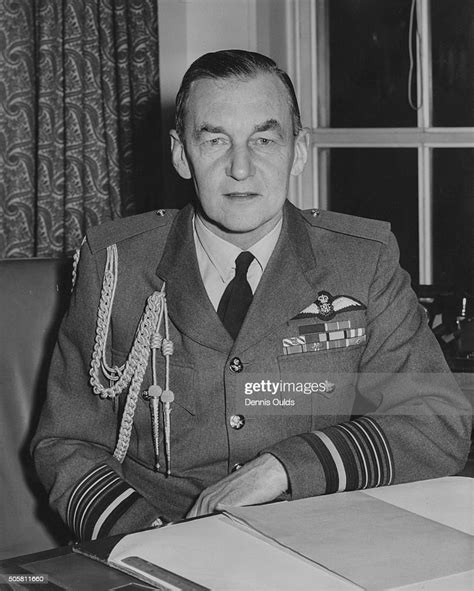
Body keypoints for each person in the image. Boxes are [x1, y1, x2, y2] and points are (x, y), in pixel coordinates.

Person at [32, 49, 470, 541]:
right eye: (215, 140)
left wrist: (284, 467)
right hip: (155, 541)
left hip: (315, 539)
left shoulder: (361, 262)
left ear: (298, 151)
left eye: (264, 139)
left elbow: (436, 422)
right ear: (181, 154)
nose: (240, 167)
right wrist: (151, 539)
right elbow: (66, 442)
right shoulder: (116, 264)